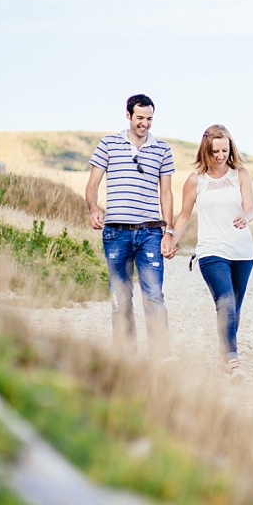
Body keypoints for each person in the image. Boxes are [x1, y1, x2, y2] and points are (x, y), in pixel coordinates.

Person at [85, 93, 175, 357]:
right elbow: (92, 185)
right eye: (139, 118)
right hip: (115, 233)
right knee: (120, 300)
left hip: (150, 232)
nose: (144, 124)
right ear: (128, 115)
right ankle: (126, 359)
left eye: (149, 119)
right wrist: (93, 209)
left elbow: (166, 193)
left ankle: (161, 358)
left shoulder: (163, 149)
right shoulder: (108, 144)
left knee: (154, 296)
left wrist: (168, 231)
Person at [171, 124, 253, 380]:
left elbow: (251, 208)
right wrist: (171, 239)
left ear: (230, 149)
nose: (220, 155)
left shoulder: (240, 174)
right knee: (225, 302)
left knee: (234, 309)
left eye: (224, 150)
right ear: (205, 150)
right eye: (215, 150)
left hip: (242, 252)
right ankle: (233, 362)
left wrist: (246, 217)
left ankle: (224, 355)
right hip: (211, 251)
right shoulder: (196, 181)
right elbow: (184, 216)